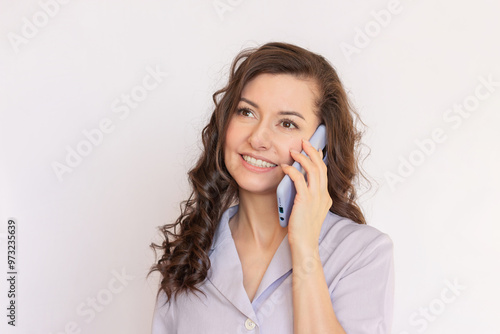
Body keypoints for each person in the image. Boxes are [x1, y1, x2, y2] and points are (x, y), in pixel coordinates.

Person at [149, 42, 394, 333]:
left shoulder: (361, 253)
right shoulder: (190, 256)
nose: (258, 138)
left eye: (287, 123)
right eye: (246, 112)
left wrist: (304, 247)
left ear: (321, 145)